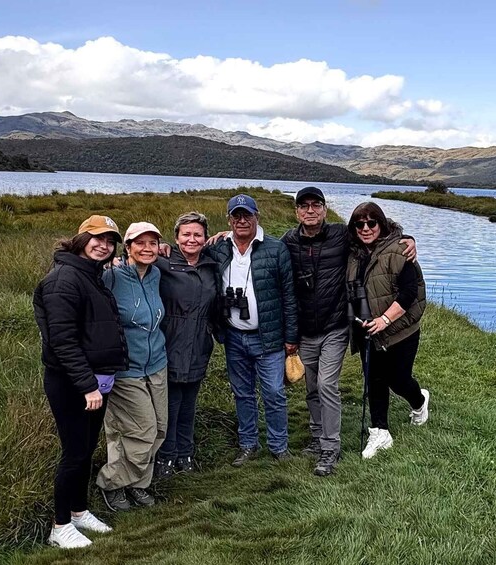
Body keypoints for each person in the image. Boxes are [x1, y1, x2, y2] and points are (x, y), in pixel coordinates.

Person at [281, 186, 416, 476]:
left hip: (335, 326)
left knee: (328, 385)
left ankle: (330, 447)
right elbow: (260, 251)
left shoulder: (341, 234)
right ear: (296, 212)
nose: (310, 211)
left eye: (315, 205)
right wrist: (222, 237)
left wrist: (408, 239)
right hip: (305, 329)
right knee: (312, 387)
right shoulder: (288, 241)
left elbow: (382, 236)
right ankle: (317, 437)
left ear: (324, 209)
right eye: (303, 206)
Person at [33, 215, 127, 549]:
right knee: (73, 453)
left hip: (95, 381)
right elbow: (62, 340)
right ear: (80, 239)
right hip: (72, 383)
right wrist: (87, 385)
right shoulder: (64, 279)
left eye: (110, 240)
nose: (103, 245)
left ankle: (78, 511)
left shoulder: (92, 274)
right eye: (97, 238)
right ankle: (59, 527)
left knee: (86, 450)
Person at [204, 194, 299, 466]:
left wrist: (291, 338)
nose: (242, 220)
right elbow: (190, 251)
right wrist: (164, 249)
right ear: (229, 220)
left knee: (274, 393)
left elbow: (289, 297)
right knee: (242, 393)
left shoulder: (276, 249)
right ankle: (248, 444)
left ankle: (279, 446)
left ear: (258, 217)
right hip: (234, 336)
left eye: (247, 215)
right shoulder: (219, 248)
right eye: (236, 216)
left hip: (268, 337)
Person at [346, 202, 429, 460]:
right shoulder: (351, 251)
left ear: (382, 224)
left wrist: (384, 319)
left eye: (372, 223)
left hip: (400, 330)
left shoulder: (401, 249)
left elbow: (409, 293)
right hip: (367, 330)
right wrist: (230, 235)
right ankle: (380, 432)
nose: (366, 228)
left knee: (398, 379)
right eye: (360, 224)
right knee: (374, 379)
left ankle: (419, 401)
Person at [96, 222, 168, 512]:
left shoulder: (156, 274)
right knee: (141, 431)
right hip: (126, 369)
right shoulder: (110, 277)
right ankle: (111, 484)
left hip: (157, 364)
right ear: (127, 248)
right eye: (140, 243)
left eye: (153, 243)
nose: (147, 248)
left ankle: (137, 484)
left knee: (160, 428)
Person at [154, 212, 221, 478]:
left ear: (205, 238)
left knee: (189, 404)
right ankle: (166, 457)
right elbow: (132, 262)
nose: (191, 239)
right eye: (186, 234)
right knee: (169, 404)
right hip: (169, 343)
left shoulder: (211, 264)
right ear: (176, 236)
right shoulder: (162, 262)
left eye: (197, 234)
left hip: (199, 344)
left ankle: (186, 453)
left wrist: (226, 235)